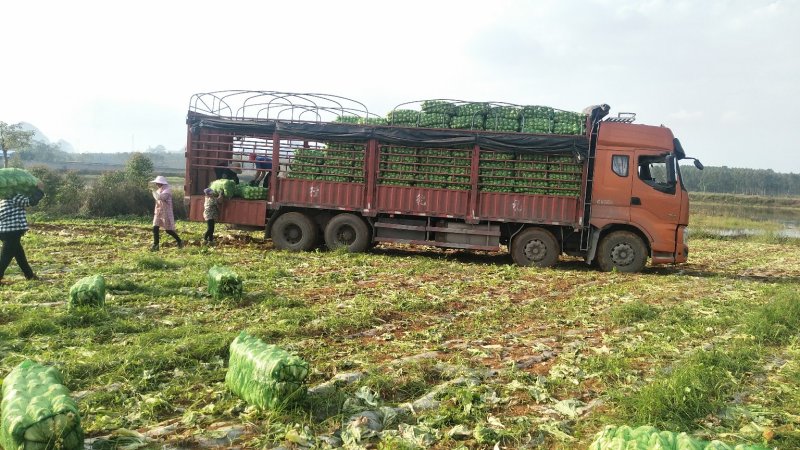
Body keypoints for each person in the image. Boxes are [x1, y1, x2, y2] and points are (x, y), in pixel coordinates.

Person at [0, 182, 44, 284]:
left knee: (19, 255)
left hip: (6, 231)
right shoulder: (15, 196)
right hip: (12, 231)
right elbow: (31, 201)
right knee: (5, 257)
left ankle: (29, 275)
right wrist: (40, 190)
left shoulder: (4, 198)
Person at [150, 176, 183, 251]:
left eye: (158, 183)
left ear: (162, 183)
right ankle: (156, 245)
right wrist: (154, 191)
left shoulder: (167, 191)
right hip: (158, 211)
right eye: (156, 183)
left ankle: (179, 241)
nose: (157, 184)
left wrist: (153, 191)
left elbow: (160, 197)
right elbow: (157, 198)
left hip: (166, 212)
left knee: (168, 230)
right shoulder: (159, 190)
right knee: (155, 227)